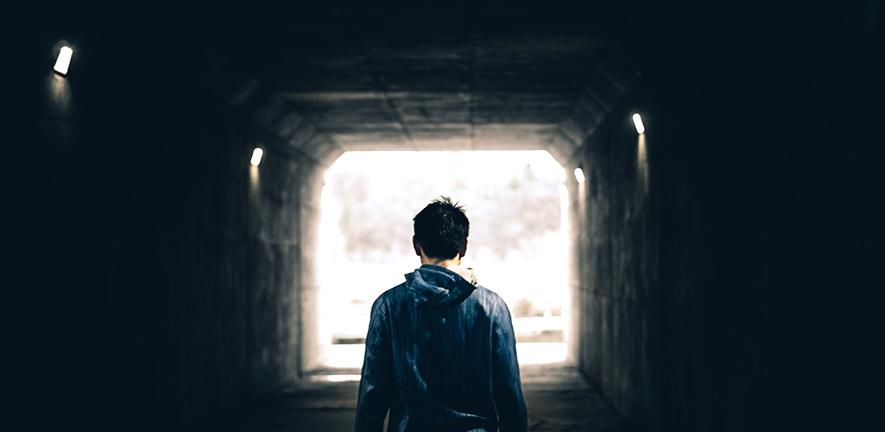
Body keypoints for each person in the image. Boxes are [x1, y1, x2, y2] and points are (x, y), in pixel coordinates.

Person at [355, 197, 527, 432]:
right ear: (464, 246)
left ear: (416, 245)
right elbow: (509, 396)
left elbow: (373, 394)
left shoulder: (389, 306)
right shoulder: (492, 307)